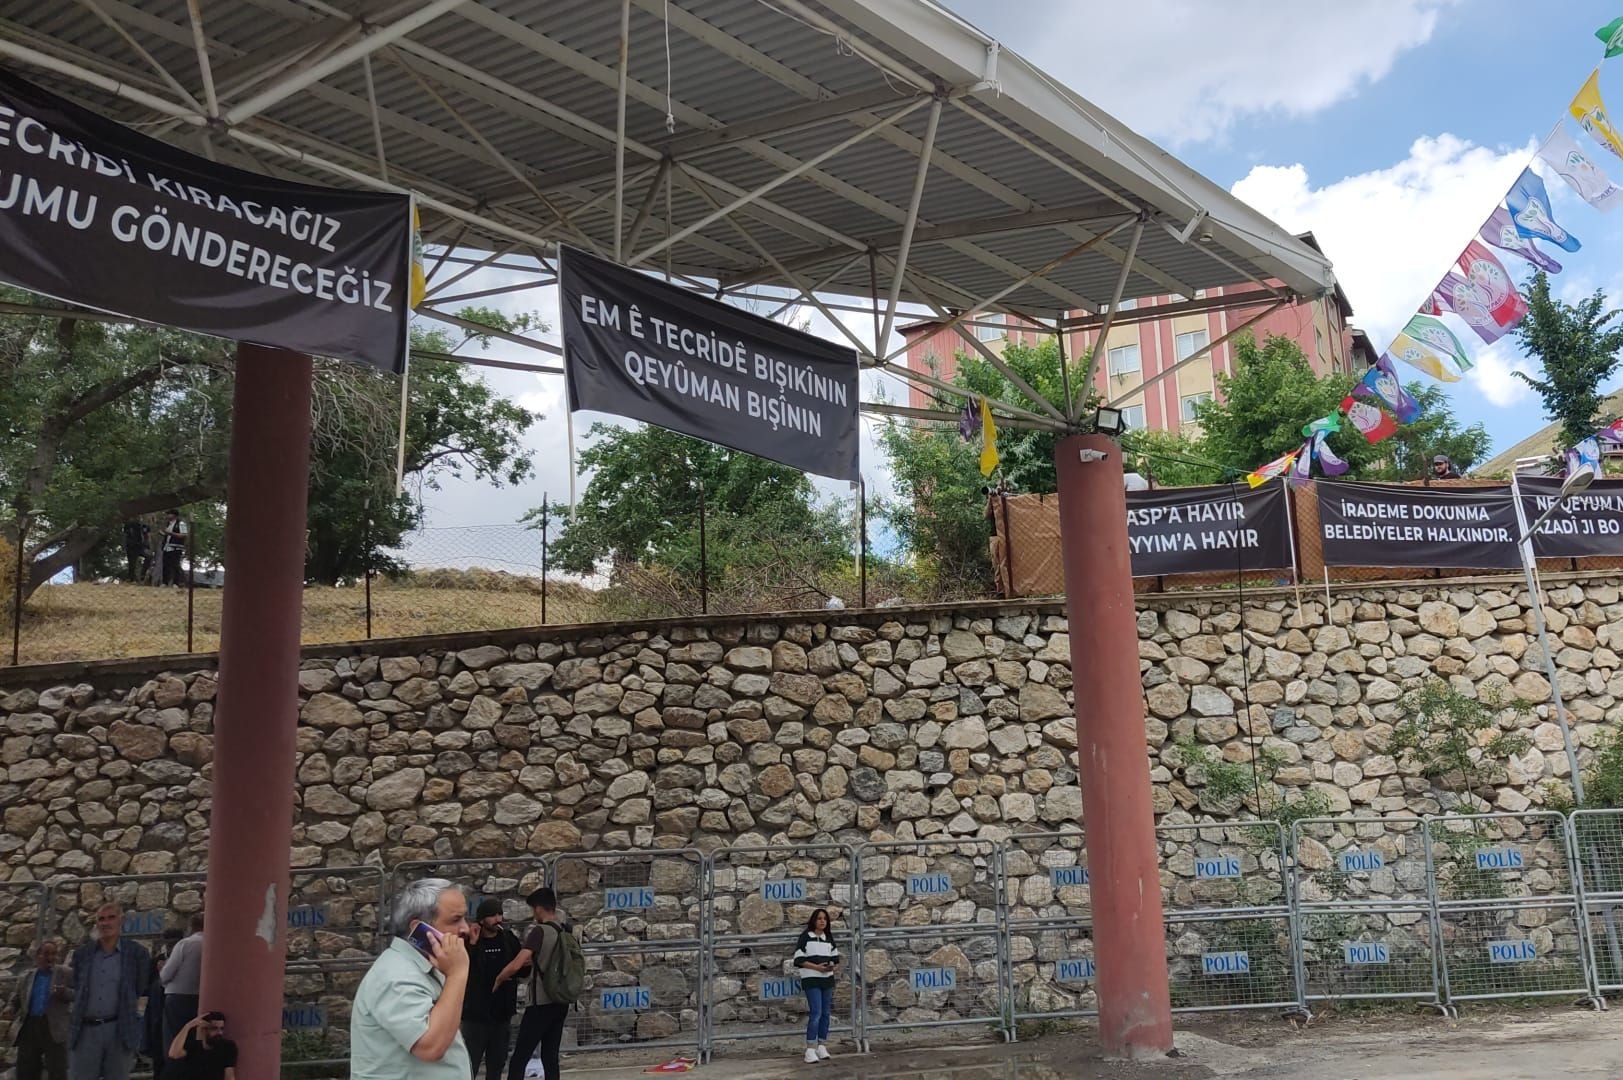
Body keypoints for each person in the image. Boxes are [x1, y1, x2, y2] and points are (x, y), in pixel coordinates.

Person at [350, 877, 471, 1079]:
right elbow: (430, 1047)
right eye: (455, 920)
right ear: (419, 929)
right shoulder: (396, 976)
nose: (465, 928)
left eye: (464, 918)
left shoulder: (420, 967)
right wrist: (458, 974)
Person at [68, 902, 151, 1080]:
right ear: (96, 923)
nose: (106, 923)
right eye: (101, 919)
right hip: (86, 1030)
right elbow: (77, 985)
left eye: (111, 917)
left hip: (119, 1030)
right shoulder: (82, 954)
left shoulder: (137, 954)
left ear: (121, 920)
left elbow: (139, 986)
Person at [495, 888, 569, 1080]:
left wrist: (499, 978)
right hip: (561, 1001)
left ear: (538, 908)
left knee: (520, 1057)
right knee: (550, 1056)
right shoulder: (565, 930)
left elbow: (518, 963)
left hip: (540, 1003)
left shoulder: (540, 931)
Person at [462, 899, 521, 1080]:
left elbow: (522, 967)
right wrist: (472, 944)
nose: (498, 919)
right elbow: (463, 969)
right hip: (476, 1016)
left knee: (496, 1065)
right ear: (481, 920)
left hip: (501, 1015)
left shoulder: (509, 939)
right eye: (492, 915)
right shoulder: (470, 942)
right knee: (469, 1064)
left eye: (499, 914)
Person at [9, 940, 72, 1080]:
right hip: (30, 1025)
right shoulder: (26, 976)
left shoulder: (66, 973)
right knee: (26, 1070)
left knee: (57, 1071)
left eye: (54, 954)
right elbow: (16, 998)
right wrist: (10, 1008)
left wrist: (64, 992)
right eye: (46, 954)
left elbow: (79, 994)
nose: (50, 957)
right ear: (38, 956)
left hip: (54, 1027)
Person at [792, 909, 840, 1064]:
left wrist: (830, 966)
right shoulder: (806, 937)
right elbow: (799, 959)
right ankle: (810, 1049)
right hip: (811, 979)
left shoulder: (828, 939)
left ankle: (822, 1045)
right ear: (814, 920)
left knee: (826, 1013)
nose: (822, 921)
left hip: (827, 979)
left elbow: (835, 959)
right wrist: (817, 968)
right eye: (819, 918)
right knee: (816, 1012)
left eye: (825, 919)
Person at [159, 915, 203, 1056]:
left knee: (174, 1040)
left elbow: (166, 974)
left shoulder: (186, 944)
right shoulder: (213, 943)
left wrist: (161, 970)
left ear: (191, 927)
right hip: (201, 997)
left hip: (178, 997)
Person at [163, 1012, 235, 1080]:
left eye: (221, 1028)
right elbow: (173, 1054)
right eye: (214, 1028)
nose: (219, 1032)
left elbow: (229, 1076)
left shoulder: (227, 1047)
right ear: (204, 1029)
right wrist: (188, 1026)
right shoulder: (194, 1046)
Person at [159, 512, 187, 587]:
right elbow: (167, 535)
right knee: (165, 565)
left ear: (174, 515)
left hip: (176, 547)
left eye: (169, 514)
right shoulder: (168, 524)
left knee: (175, 565)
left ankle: (176, 583)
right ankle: (165, 582)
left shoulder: (181, 523)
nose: (168, 516)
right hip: (167, 547)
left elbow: (183, 535)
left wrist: (170, 533)